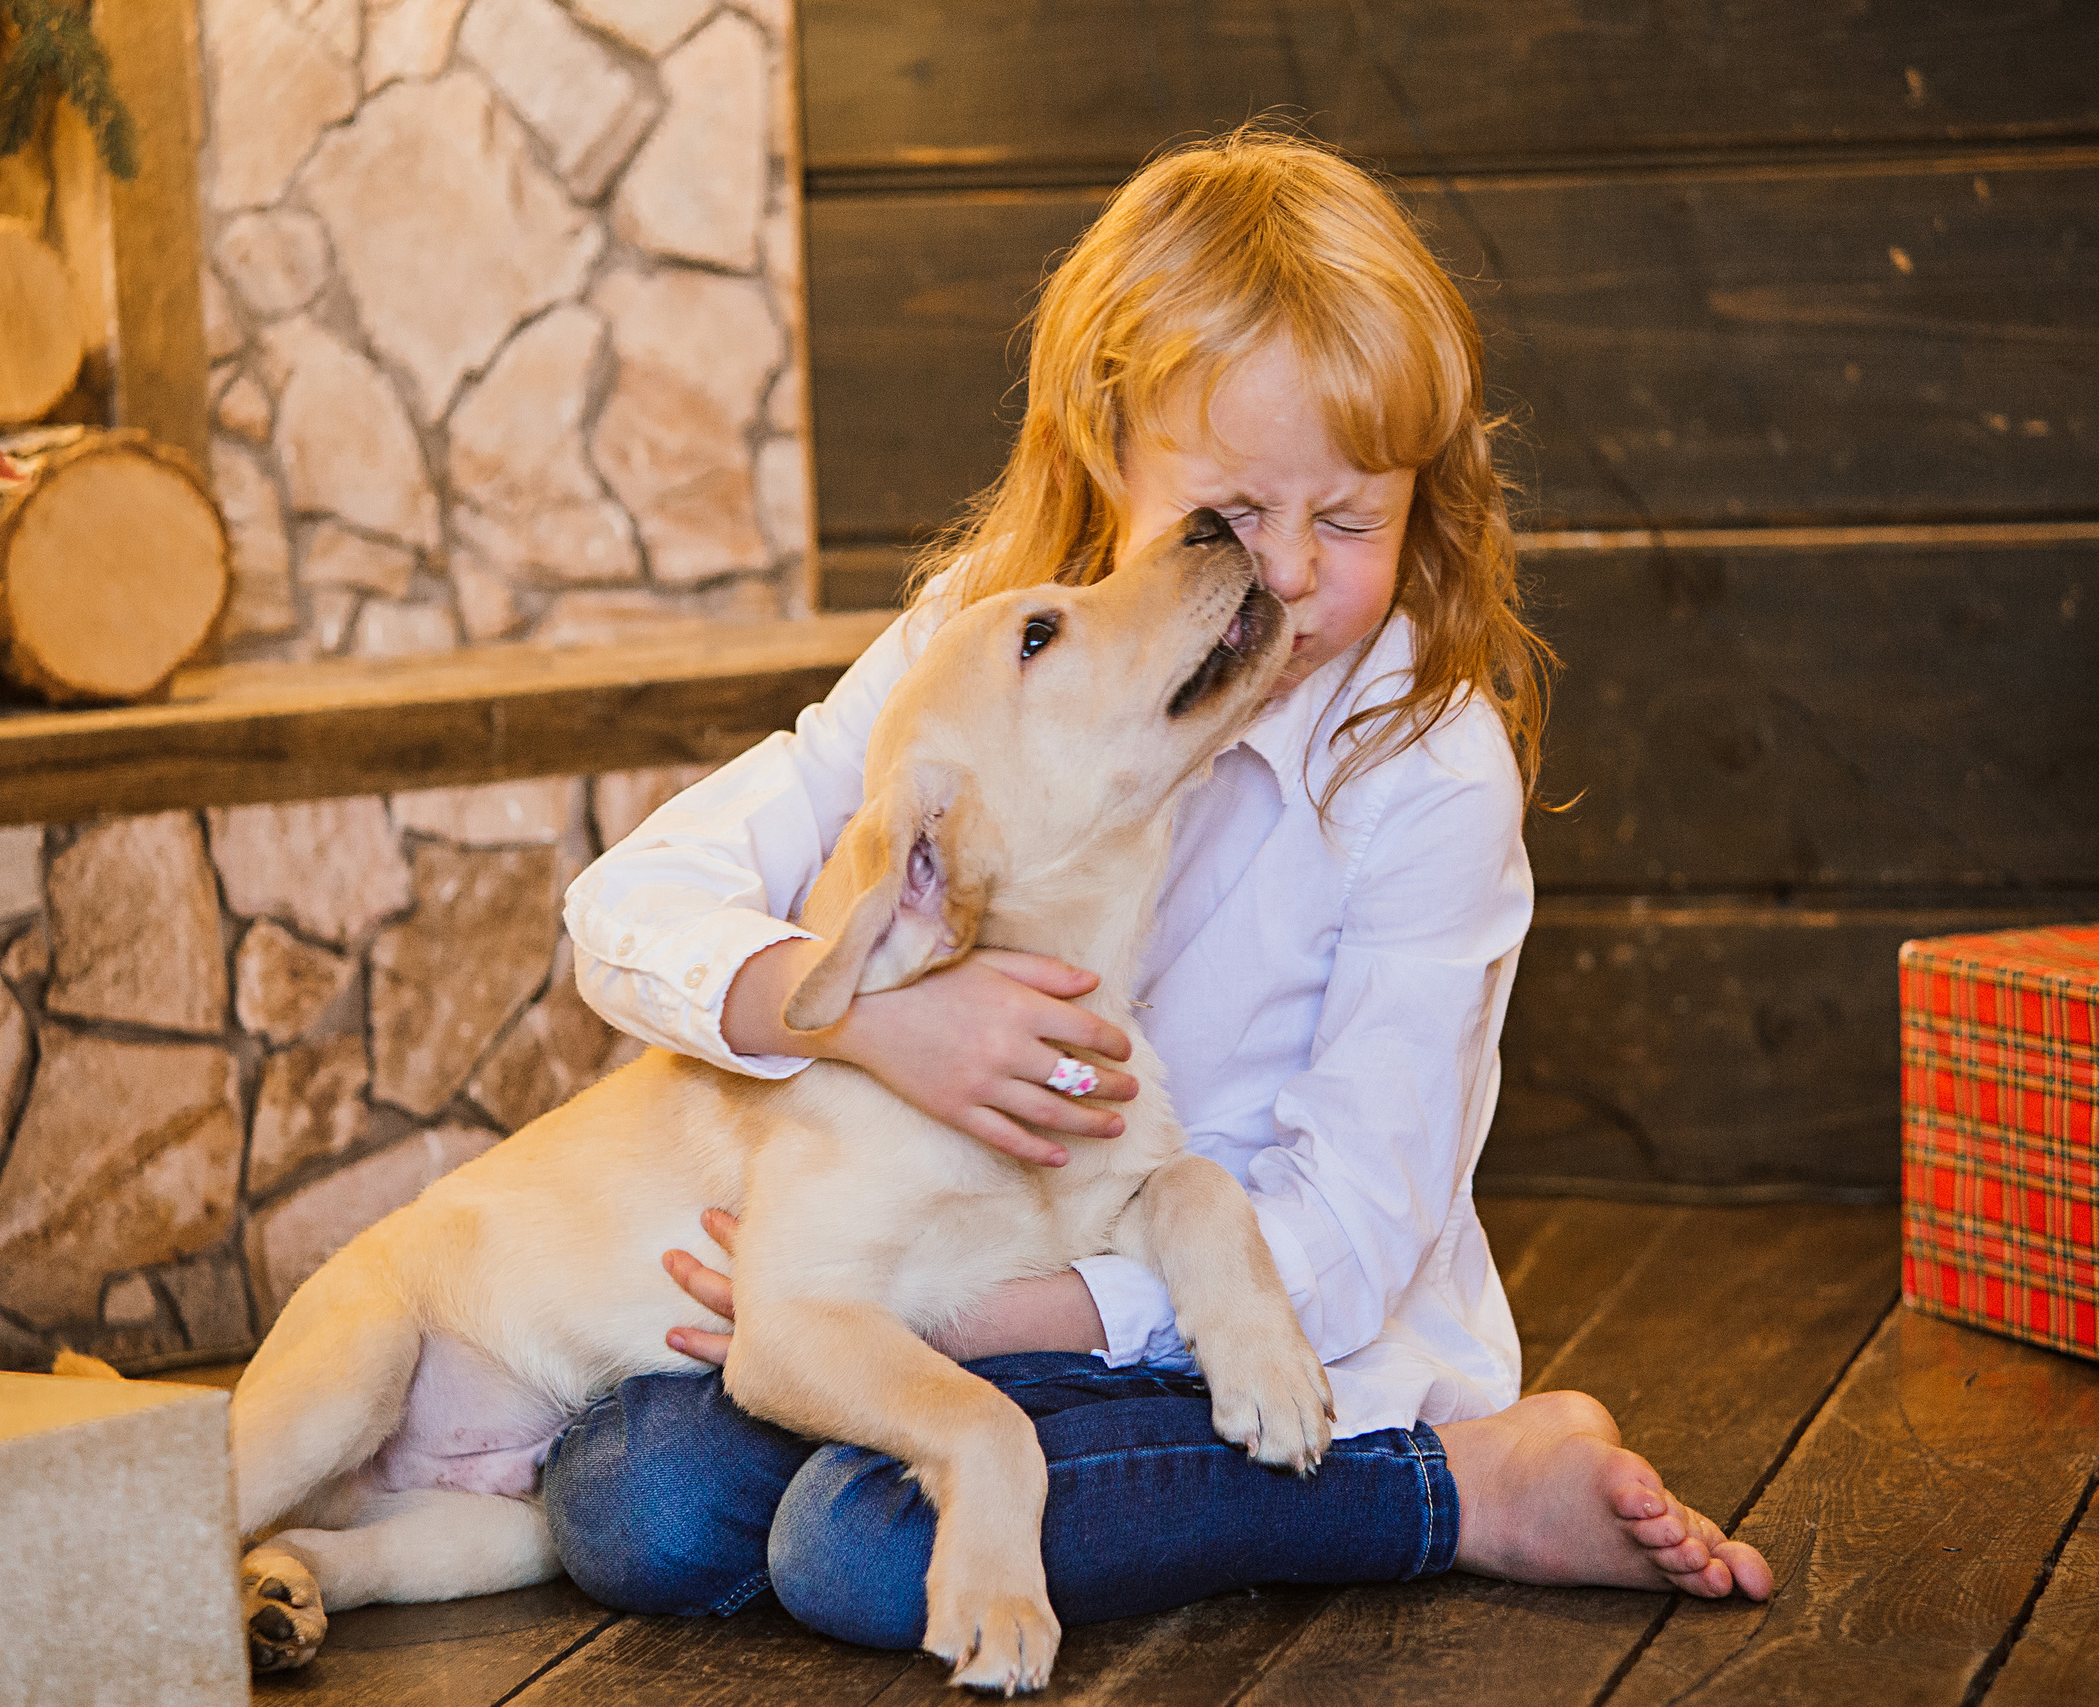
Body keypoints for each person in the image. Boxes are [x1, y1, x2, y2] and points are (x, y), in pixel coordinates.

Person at [544, 126, 1772, 1649]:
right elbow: (631, 900)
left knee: (858, 1546)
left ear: (1418, 497)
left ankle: (1460, 1485)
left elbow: (1348, 1238)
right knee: (626, 1492)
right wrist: (867, 1026)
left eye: (1352, 521)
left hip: (1227, 1338)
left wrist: (958, 1320)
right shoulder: (988, 646)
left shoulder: (1423, 769)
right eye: (1236, 521)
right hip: (940, 1288)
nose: (1295, 581)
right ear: (1113, 451)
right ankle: (1018, 1486)